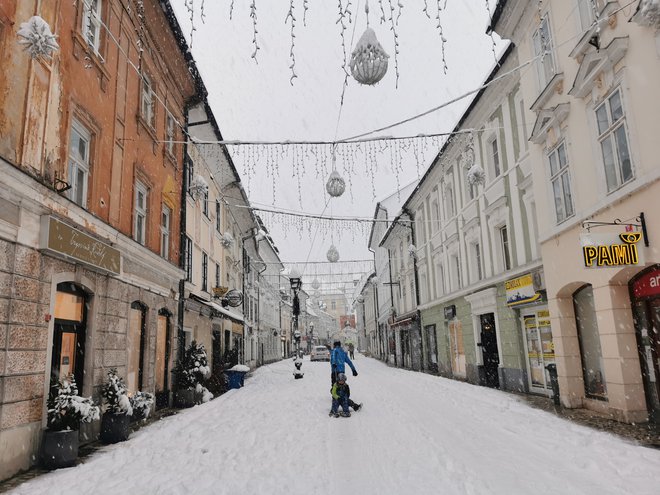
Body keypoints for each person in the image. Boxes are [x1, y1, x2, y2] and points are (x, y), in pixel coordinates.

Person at [330, 341, 361, 412]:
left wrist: (334, 363)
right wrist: (353, 370)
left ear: (334, 345)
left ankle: (335, 403)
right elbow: (349, 362)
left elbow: (334, 356)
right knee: (341, 386)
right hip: (342, 372)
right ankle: (344, 398)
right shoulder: (343, 352)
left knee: (334, 386)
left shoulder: (334, 350)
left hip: (335, 371)